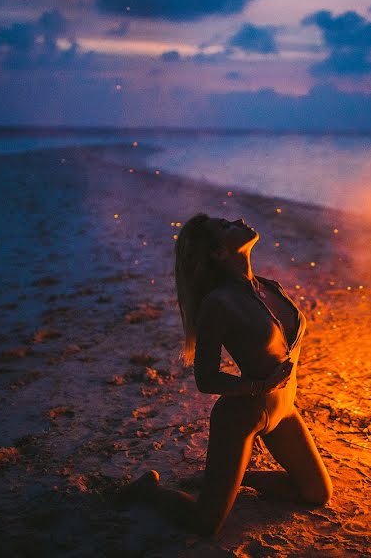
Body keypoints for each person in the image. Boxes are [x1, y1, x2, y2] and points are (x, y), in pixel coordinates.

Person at [123, 213, 332, 535]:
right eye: (225, 226)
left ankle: (235, 479)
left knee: (316, 494)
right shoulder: (218, 303)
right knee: (204, 525)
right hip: (242, 416)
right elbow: (205, 379)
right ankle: (148, 490)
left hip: (285, 410)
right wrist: (258, 385)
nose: (236, 219)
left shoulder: (268, 286)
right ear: (219, 253)